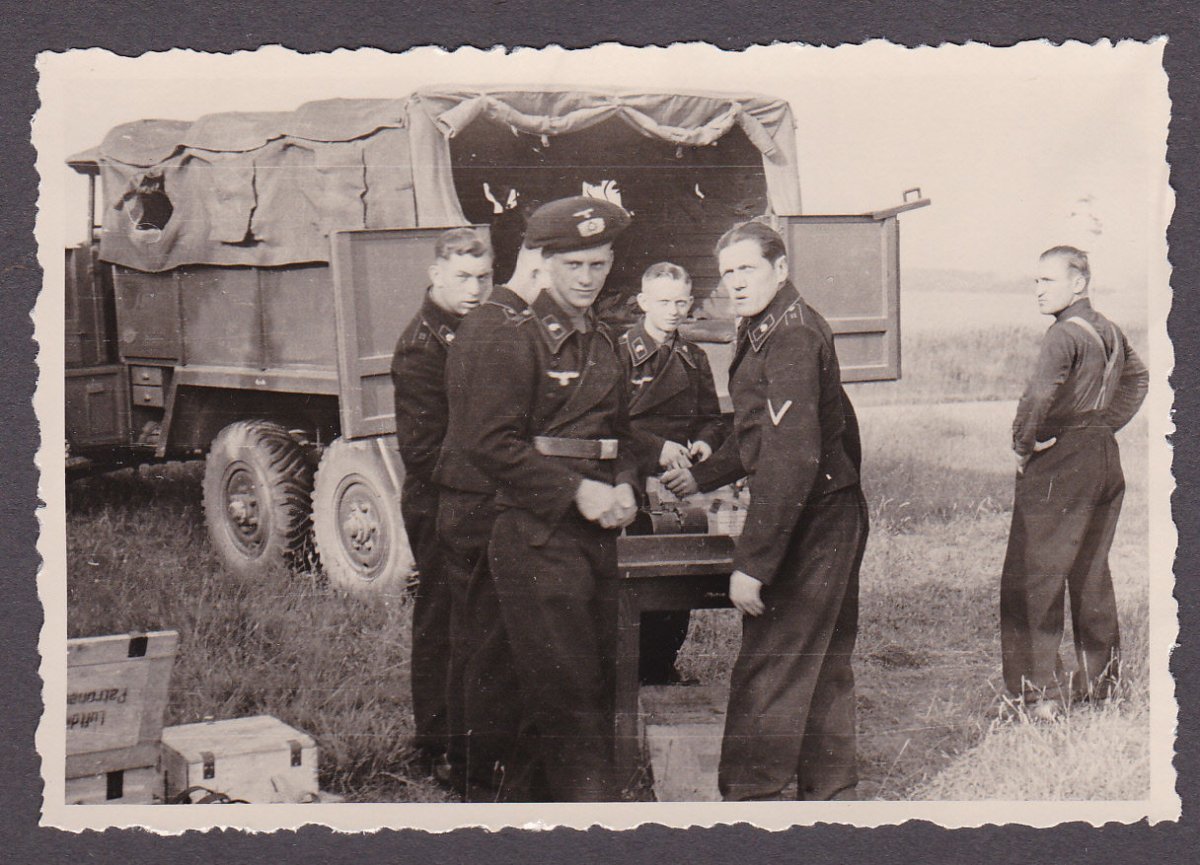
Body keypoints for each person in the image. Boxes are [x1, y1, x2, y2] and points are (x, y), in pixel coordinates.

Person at [663, 220, 867, 801]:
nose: (735, 282)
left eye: (746, 269)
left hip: (814, 518)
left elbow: (789, 458)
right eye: (727, 273)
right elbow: (764, 432)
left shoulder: (791, 335)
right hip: (826, 508)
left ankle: (752, 800)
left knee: (773, 661)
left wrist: (753, 564)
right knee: (820, 660)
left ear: (780, 269)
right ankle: (831, 795)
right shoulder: (770, 325)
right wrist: (702, 476)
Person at [446, 195, 640, 801]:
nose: (587, 278)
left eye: (598, 264)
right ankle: (591, 820)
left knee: (584, 680)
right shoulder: (510, 335)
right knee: (569, 691)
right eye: (573, 265)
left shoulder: (603, 339)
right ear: (544, 263)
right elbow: (487, 443)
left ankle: (523, 809)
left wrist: (627, 482)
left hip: (594, 533)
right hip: (535, 534)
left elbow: (622, 432)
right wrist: (576, 491)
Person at [1000, 245, 1148, 719]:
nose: (1038, 290)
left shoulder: (1063, 334)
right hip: (1103, 459)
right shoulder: (1110, 330)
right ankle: (1100, 688)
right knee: (1091, 572)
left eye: (1048, 280)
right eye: (1036, 281)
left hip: (1062, 462)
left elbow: (1038, 395)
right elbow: (1138, 379)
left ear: (1079, 282)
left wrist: (1023, 444)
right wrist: (1103, 426)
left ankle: (1038, 695)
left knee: (1033, 575)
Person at [432, 243, 544, 800]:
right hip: (480, 501)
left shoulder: (487, 320)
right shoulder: (501, 327)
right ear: (541, 267)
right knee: (490, 646)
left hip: (469, 496)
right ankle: (480, 776)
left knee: (476, 640)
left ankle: (467, 765)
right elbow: (492, 437)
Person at [389, 227, 494, 783]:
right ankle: (434, 742)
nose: (475, 288)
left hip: (472, 495)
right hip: (438, 501)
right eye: (463, 277)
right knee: (442, 617)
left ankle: (469, 735)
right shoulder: (422, 346)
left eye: (484, 277)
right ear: (436, 275)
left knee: (472, 617)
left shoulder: (477, 329)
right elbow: (424, 451)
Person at [619, 262, 727, 685]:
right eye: (664, 302)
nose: (674, 311)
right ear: (643, 302)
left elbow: (711, 418)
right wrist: (657, 448)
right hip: (630, 480)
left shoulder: (693, 356)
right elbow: (606, 422)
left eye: (681, 302)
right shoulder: (617, 353)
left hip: (677, 486)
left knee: (679, 576)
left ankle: (662, 668)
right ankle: (630, 672)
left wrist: (704, 443)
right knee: (636, 578)